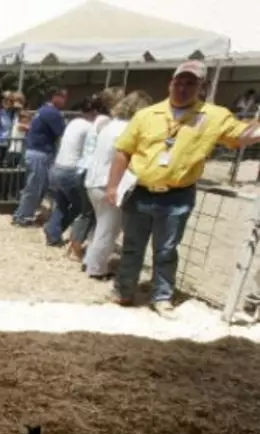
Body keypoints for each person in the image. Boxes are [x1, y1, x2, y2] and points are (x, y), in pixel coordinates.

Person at [107, 60, 260, 317]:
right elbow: (123, 151)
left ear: (201, 87)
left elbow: (241, 136)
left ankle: (162, 297)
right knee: (132, 246)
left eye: (191, 83)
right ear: (171, 83)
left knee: (166, 250)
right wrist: (113, 186)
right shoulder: (147, 115)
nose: (183, 87)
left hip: (177, 196)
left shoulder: (214, 116)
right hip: (140, 191)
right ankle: (123, 291)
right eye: (179, 81)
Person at [83, 91, 154, 280]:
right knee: (109, 230)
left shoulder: (109, 125)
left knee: (101, 225)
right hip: (109, 182)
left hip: (93, 180)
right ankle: (96, 269)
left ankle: (89, 260)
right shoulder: (129, 129)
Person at [66, 88, 123, 260]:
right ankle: (77, 247)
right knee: (89, 214)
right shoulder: (107, 122)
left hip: (84, 168)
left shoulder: (97, 120)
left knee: (88, 213)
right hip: (93, 170)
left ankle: (77, 245)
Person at [43, 95, 99, 246]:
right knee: (81, 207)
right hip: (71, 171)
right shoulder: (89, 128)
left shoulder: (73, 123)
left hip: (58, 167)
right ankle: (68, 237)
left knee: (62, 203)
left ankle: (52, 232)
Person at [12, 87, 68, 227]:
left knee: (39, 187)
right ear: (55, 96)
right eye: (63, 97)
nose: (65, 100)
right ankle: (21, 216)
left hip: (36, 152)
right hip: (40, 153)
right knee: (34, 187)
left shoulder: (42, 110)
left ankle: (24, 214)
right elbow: (62, 131)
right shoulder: (51, 113)